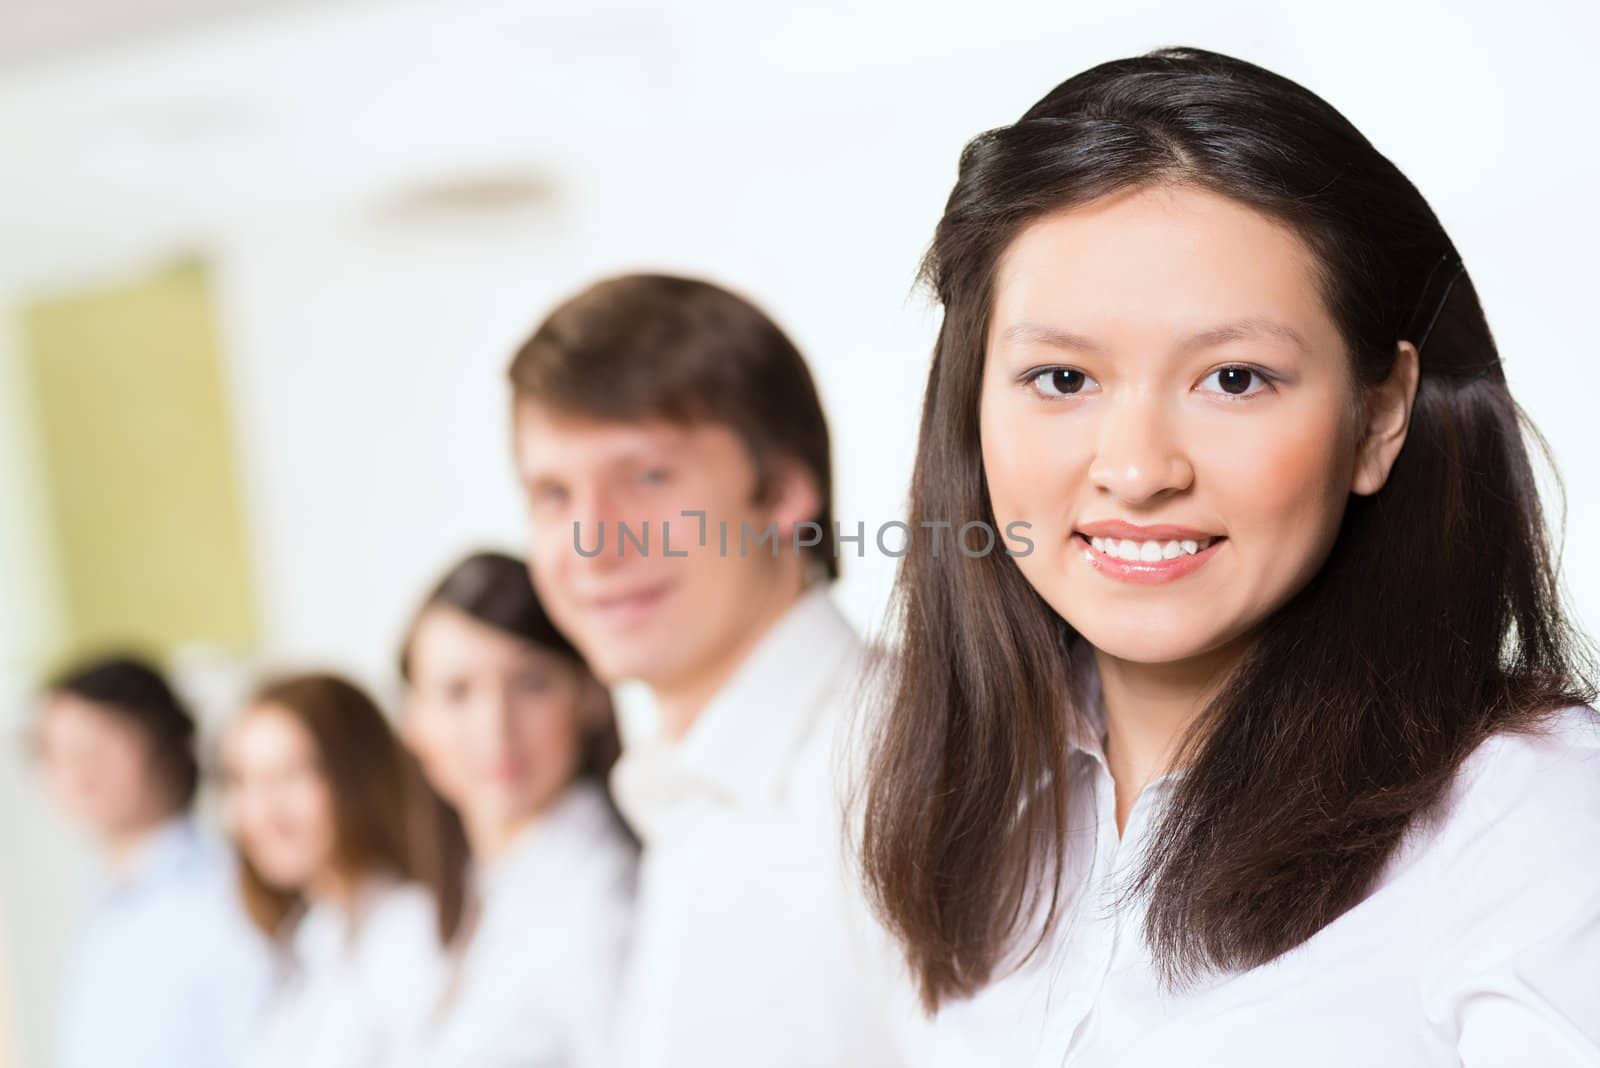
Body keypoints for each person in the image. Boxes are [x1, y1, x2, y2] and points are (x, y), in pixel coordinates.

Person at [857, 46, 1600, 1066]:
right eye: (1063, 378)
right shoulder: (974, 814)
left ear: (1377, 418)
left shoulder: (1532, 827)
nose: (1136, 470)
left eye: (1235, 378)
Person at [507, 274, 907, 1068]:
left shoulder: (896, 773)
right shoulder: (682, 789)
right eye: (553, 493)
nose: (592, 542)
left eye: (649, 477)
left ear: (786, 492)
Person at [395, 550, 635, 1068]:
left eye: (531, 683)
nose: (495, 729)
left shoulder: (602, 904)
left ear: (589, 695)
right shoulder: (455, 895)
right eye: (457, 693)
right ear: (413, 721)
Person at [36, 655, 270, 1068]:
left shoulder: (228, 891)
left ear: (163, 743)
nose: (77, 773)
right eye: (58, 754)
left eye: (97, 747)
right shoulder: (103, 908)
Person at [222, 672, 460, 1068]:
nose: (263, 810)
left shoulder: (411, 931)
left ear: (358, 777)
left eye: (293, 774)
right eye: (244, 781)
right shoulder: (312, 938)